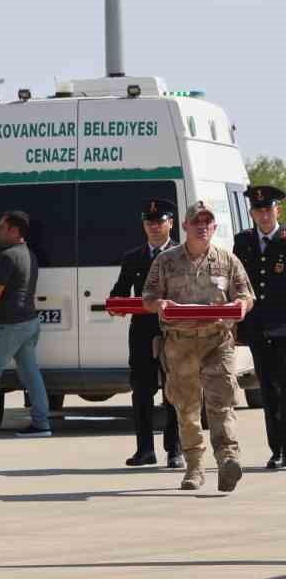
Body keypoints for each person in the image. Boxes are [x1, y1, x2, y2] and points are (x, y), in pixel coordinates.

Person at [141, 200, 255, 492]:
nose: (202, 227)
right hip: (180, 345)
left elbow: (246, 295)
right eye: (196, 222)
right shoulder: (165, 261)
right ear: (185, 226)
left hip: (218, 342)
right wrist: (160, 304)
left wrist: (241, 306)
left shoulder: (227, 261)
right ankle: (194, 466)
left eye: (207, 222)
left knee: (221, 403)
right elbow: (148, 297)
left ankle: (228, 459)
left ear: (214, 227)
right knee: (187, 408)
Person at [108, 197, 182, 469]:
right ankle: (144, 450)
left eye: (159, 222)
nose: (154, 227)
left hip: (174, 333)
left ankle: (175, 450)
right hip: (142, 333)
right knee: (141, 391)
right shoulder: (133, 257)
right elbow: (120, 291)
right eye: (149, 222)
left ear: (170, 223)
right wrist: (114, 303)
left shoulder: (182, 254)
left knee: (173, 392)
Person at [0, 210, 52, 437]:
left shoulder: (8, 256)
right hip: (29, 323)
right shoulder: (29, 254)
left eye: (2, 227)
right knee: (30, 374)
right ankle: (41, 423)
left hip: (9, 326)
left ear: (14, 231)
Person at [233, 184, 286, 470]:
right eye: (258, 210)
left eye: (268, 209)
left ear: (277, 210)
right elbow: (236, 282)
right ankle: (276, 450)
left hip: (285, 327)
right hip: (258, 328)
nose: (264, 215)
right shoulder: (243, 242)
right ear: (251, 213)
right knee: (268, 389)